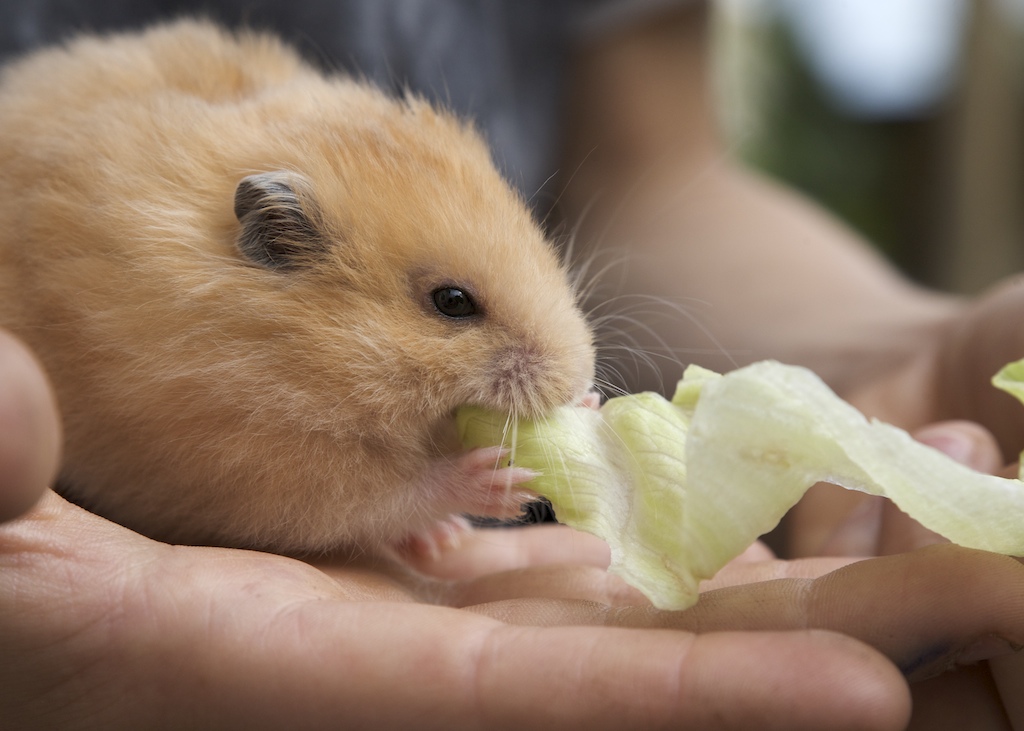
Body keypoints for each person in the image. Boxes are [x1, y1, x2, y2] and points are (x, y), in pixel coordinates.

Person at [3, 1, 1024, 728]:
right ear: (276, 245)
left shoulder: (353, 141)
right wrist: (424, 484)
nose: (561, 354)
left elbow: (650, 168)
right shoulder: (157, 299)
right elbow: (206, 468)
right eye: (454, 307)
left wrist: (896, 353)